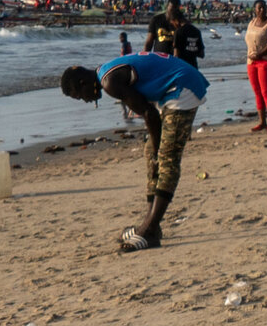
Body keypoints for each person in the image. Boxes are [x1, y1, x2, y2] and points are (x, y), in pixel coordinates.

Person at [60, 52, 209, 250]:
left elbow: (149, 114)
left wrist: (158, 152)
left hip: (182, 88)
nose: (86, 101)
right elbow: (150, 113)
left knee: (166, 157)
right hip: (170, 90)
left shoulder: (109, 82)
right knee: (151, 154)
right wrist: (154, 151)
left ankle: (150, 229)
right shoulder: (106, 73)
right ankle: (150, 225)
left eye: (80, 96)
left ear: (82, 82)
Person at [243, 0, 267, 132]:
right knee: (257, 92)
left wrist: (259, 54)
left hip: (266, 61)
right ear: (255, 9)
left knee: (266, 91)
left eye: (264, 8)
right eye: (259, 8)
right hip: (251, 61)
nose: (262, 10)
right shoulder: (252, 23)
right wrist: (253, 55)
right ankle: (261, 121)